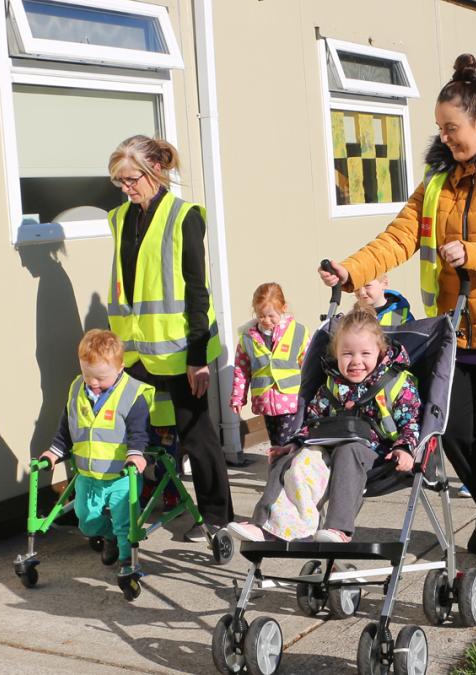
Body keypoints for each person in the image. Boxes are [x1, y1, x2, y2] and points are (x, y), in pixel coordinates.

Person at [319, 54, 476, 580]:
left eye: (453, 129)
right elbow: (400, 237)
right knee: (455, 433)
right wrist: (350, 270)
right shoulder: (436, 181)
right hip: (456, 332)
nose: (446, 139)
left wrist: (474, 253)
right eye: (440, 131)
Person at [106, 135, 233, 541]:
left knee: (197, 436)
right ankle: (155, 501)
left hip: (180, 350)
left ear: (155, 171)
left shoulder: (185, 216)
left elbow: (197, 290)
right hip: (135, 350)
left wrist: (198, 356)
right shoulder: (119, 219)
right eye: (120, 182)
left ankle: (217, 516)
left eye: (131, 180)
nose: (126, 189)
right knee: (142, 433)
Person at [227, 306, 421, 543]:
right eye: (347, 354)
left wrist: (404, 448)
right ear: (336, 354)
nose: (356, 362)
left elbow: (410, 423)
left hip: (377, 454)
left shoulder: (396, 384)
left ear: (380, 353)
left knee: (349, 450)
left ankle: (338, 528)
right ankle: (269, 525)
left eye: (365, 354)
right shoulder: (331, 385)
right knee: (290, 461)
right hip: (328, 449)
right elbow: (313, 419)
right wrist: (296, 443)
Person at [39, 330, 150, 572]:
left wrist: (136, 453)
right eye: (87, 374)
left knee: (125, 523)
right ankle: (107, 535)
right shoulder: (78, 390)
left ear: (120, 368)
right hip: (88, 475)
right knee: (86, 520)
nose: (92, 382)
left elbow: (139, 432)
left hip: (122, 476)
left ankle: (126, 561)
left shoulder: (131, 395)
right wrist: (54, 452)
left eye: (100, 377)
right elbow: (67, 427)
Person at [230, 282, 310, 446]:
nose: (266, 320)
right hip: (265, 401)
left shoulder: (298, 332)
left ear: (283, 308)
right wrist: (238, 398)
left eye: (271, 315)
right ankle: (277, 469)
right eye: (261, 315)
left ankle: (286, 469)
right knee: (275, 443)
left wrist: (313, 394)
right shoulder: (248, 338)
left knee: (287, 442)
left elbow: (308, 363)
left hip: (291, 400)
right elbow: (241, 370)